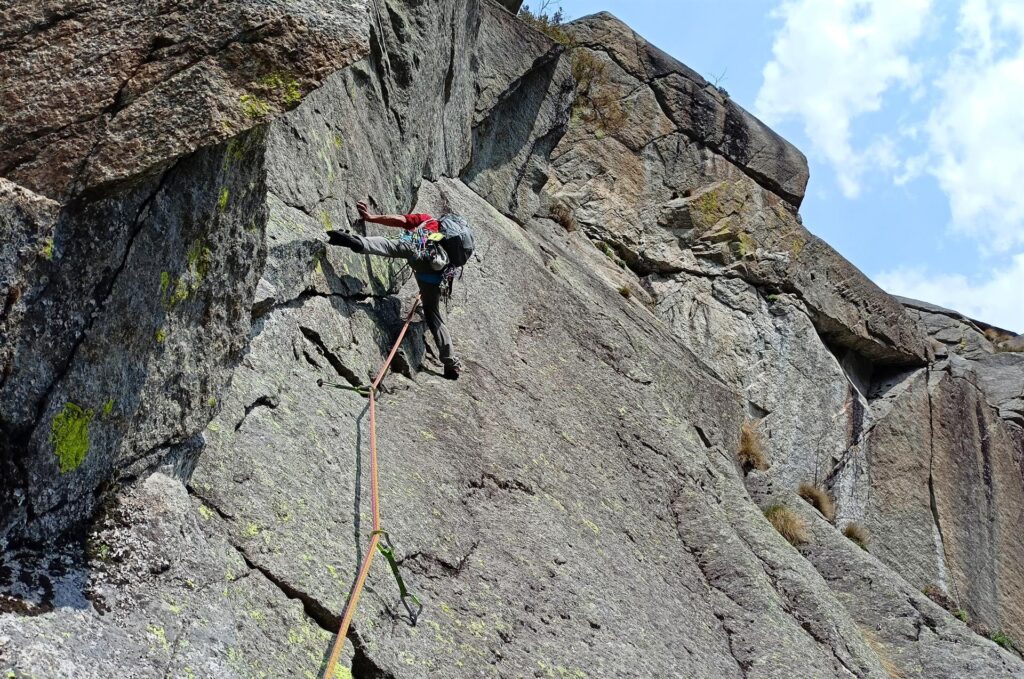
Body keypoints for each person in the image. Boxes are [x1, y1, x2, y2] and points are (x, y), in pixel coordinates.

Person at [326, 201, 462, 380]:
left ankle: (358, 242)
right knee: (433, 315)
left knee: (389, 245)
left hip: (417, 246)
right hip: (434, 275)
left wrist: (371, 217)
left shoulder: (428, 220)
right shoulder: (453, 245)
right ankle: (450, 363)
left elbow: (399, 219)